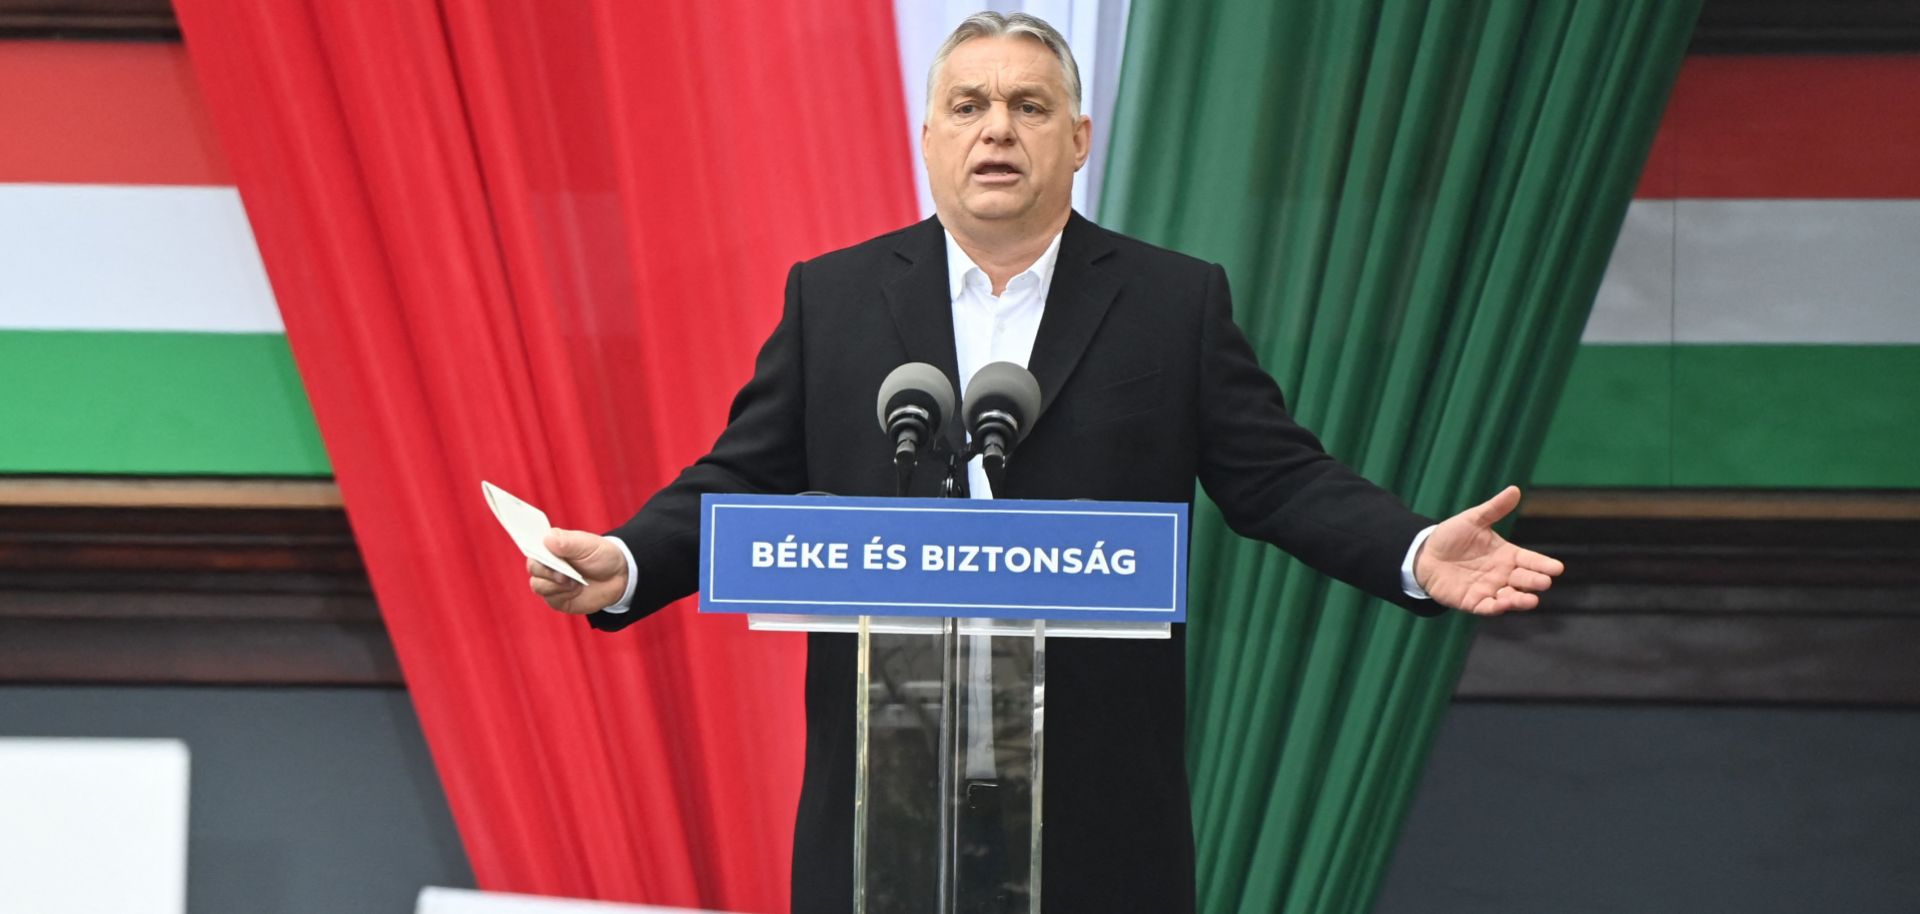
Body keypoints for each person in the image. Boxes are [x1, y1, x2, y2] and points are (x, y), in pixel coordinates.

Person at [526, 12, 1564, 913]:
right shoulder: (833, 300)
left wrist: (1415, 549)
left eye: (1028, 107)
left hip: (1097, 792)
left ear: (1078, 139)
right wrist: (629, 558)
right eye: (969, 104)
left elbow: (1277, 476)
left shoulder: (1171, 302)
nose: (996, 129)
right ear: (927, 135)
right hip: (887, 792)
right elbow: (745, 475)